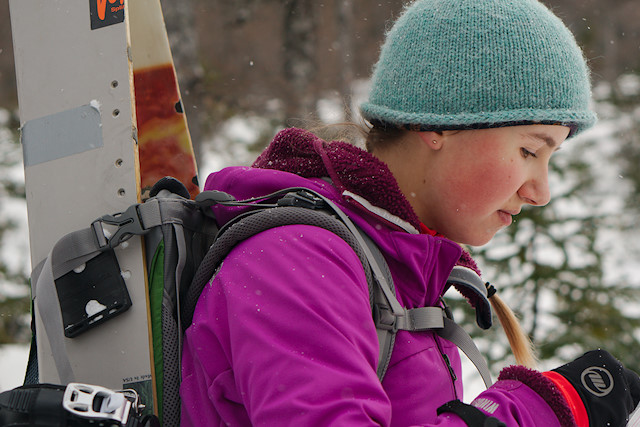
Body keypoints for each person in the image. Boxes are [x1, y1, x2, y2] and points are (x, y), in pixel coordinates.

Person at [180, 0, 640, 425]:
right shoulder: (295, 261)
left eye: (550, 158)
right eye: (528, 150)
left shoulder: (400, 269)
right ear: (438, 124)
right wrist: (533, 411)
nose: (541, 191)